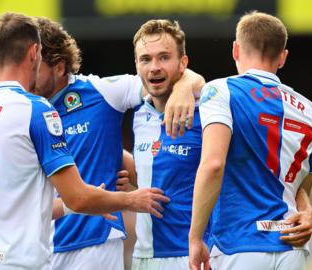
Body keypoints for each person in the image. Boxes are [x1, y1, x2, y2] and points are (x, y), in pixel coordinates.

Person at [0, 12, 168, 270]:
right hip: (21, 256)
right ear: (34, 53)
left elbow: (161, 83)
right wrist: (128, 200)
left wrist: (189, 83)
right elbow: (77, 198)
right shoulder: (35, 110)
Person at [33, 17, 204, 270]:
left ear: (58, 67)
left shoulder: (101, 91)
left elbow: (170, 77)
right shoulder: (24, 109)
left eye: (33, 66)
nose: (24, 75)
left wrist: (185, 87)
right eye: (145, 58)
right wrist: (119, 163)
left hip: (95, 246)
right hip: (38, 247)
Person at [188, 11, 312, 270]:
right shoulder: (307, 108)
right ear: (283, 58)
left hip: (238, 244)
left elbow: (213, 164)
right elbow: (302, 188)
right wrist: (308, 211)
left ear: (236, 50)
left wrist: (195, 237)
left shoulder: (221, 90)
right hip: (291, 246)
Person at [130, 19, 205, 270]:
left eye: (164, 57)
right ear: (137, 65)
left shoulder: (208, 112)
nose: (154, 67)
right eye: (145, 59)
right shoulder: (140, 114)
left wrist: (187, 84)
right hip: (144, 256)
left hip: (193, 254)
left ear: (183, 63)